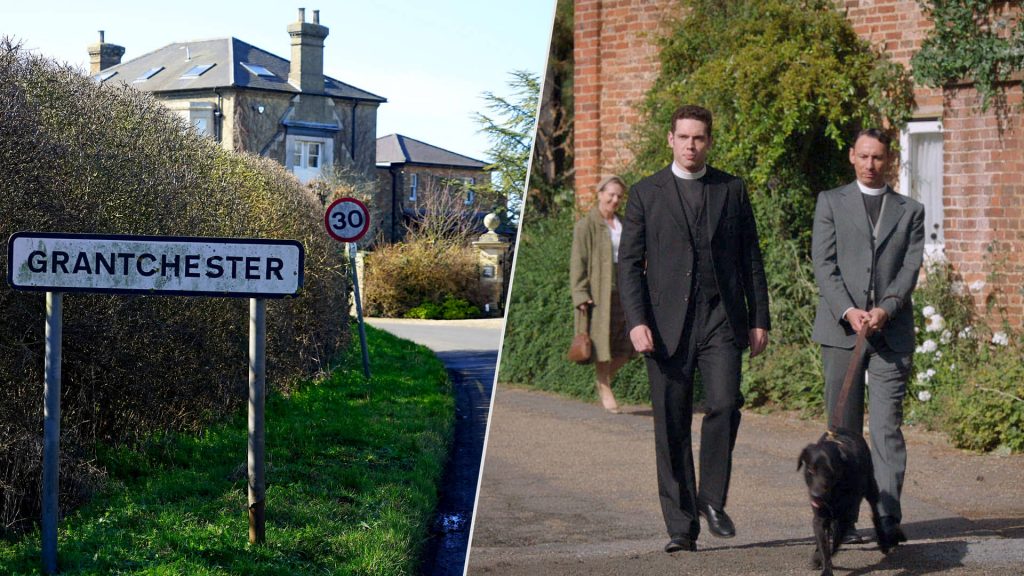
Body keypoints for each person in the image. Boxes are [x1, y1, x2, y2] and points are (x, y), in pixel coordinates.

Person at [618, 105, 770, 553]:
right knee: (672, 424)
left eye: (699, 138)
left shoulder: (731, 189)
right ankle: (681, 528)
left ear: (709, 141)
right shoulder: (646, 193)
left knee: (724, 403)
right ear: (670, 139)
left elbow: (751, 260)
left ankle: (712, 500)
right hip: (665, 325)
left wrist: (759, 317)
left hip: (721, 317)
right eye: (683, 137)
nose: (691, 145)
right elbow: (629, 264)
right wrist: (637, 321)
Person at [811, 128, 924, 548]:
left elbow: (909, 267)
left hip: (889, 334)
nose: (870, 164)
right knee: (843, 432)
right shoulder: (830, 202)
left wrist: (885, 308)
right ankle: (845, 518)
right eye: (864, 156)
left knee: (886, 428)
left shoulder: (909, 209)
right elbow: (823, 263)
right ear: (851, 157)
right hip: (842, 331)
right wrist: (848, 309)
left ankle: (887, 516)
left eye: (878, 157)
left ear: (889, 160)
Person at [570, 175, 635, 413]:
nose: (615, 199)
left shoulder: (626, 224)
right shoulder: (585, 226)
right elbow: (578, 262)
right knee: (602, 342)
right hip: (598, 293)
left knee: (629, 345)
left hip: (627, 289)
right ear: (600, 194)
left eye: (619, 196)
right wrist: (580, 293)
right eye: (611, 194)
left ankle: (603, 379)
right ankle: (605, 386)